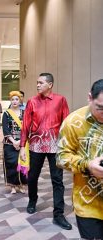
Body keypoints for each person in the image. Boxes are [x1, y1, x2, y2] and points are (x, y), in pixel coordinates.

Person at [20, 72, 72, 230]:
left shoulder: (60, 100)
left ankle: (58, 215)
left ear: (50, 84)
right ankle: (32, 200)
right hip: (36, 146)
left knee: (57, 180)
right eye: (37, 82)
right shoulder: (32, 102)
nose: (37, 85)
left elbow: (66, 124)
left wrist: (67, 145)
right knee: (32, 176)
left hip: (55, 146)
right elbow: (26, 125)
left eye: (41, 83)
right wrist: (23, 146)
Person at [56, 79, 103, 239]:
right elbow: (61, 157)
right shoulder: (73, 122)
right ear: (90, 98)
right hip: (88, 203)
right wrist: (87, 165)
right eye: (101, 108)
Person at [2, 91, 27, 194]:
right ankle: (12, 186)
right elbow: (5, 129)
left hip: (22, 143)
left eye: (16, 99)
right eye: (12, 99)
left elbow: (26, 128)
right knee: (11, 164)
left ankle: (21, 184)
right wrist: (13, 141)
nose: (14, 101)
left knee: (22, 164)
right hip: (9, 143)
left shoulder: (24, 113)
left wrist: (21, 141)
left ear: (20, 100)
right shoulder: (6, 113)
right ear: (10, 101)